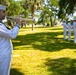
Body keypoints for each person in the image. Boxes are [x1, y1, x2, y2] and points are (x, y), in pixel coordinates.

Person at [0, 5, 21, 75]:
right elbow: (12, 35)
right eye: (3, 12)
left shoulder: (1, 24)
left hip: (4, 53)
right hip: (3, 55)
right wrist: (18, 24)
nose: (5, 14)